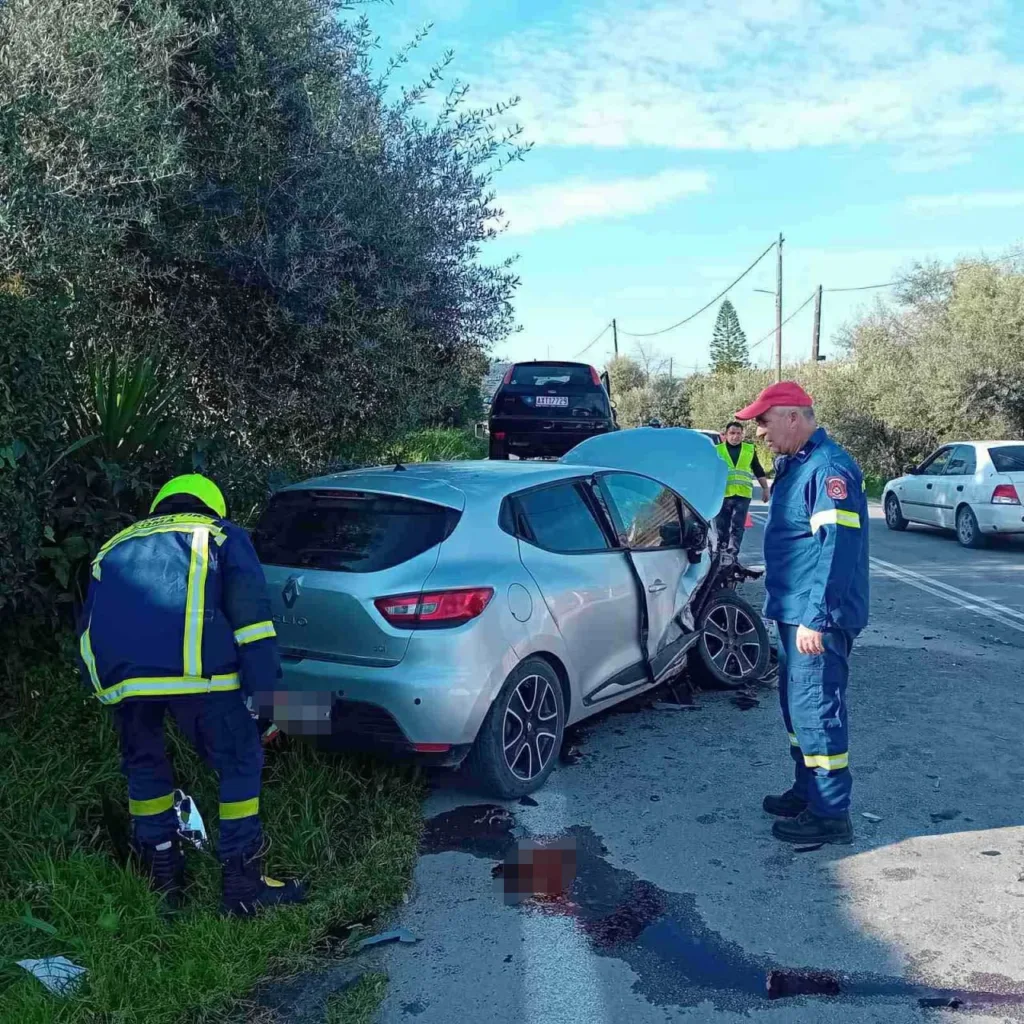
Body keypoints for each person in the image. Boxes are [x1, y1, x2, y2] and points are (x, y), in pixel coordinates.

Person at [77, 474, 308, 915]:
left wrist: (102, 687)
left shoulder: (115, 544)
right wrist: (267, 703)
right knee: (240, 761)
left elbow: (90, 622)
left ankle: (163, 878)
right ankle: (242, 887)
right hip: (200, 677)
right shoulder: (221, 535)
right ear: (212, 505)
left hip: (123, 682)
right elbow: (254, 628)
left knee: (145, 768)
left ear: (160, 505)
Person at [734, 383, 869, 845]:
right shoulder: (797, 465)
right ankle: (808, 791)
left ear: (792, 417)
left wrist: (818, 618)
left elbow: (838, 551)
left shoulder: (828, 468)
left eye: (765, 422)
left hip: (816, 618)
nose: (760, 432)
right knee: (797, 709)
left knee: (816, 710)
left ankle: (831, 814)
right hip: (795, 611)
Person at [714, 421, 770, 559]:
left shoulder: (749, 449)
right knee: (722, 526)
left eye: (738, 433)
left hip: (743, 495)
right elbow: (710, 472)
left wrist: (765, 488)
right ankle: (721, 551)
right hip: (723, 495)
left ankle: (732, 554)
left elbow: (758, 469)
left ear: (742, 435)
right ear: (725, 435)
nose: (735, 436)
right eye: (732, 433)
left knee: (738, 526)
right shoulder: (717, 450)